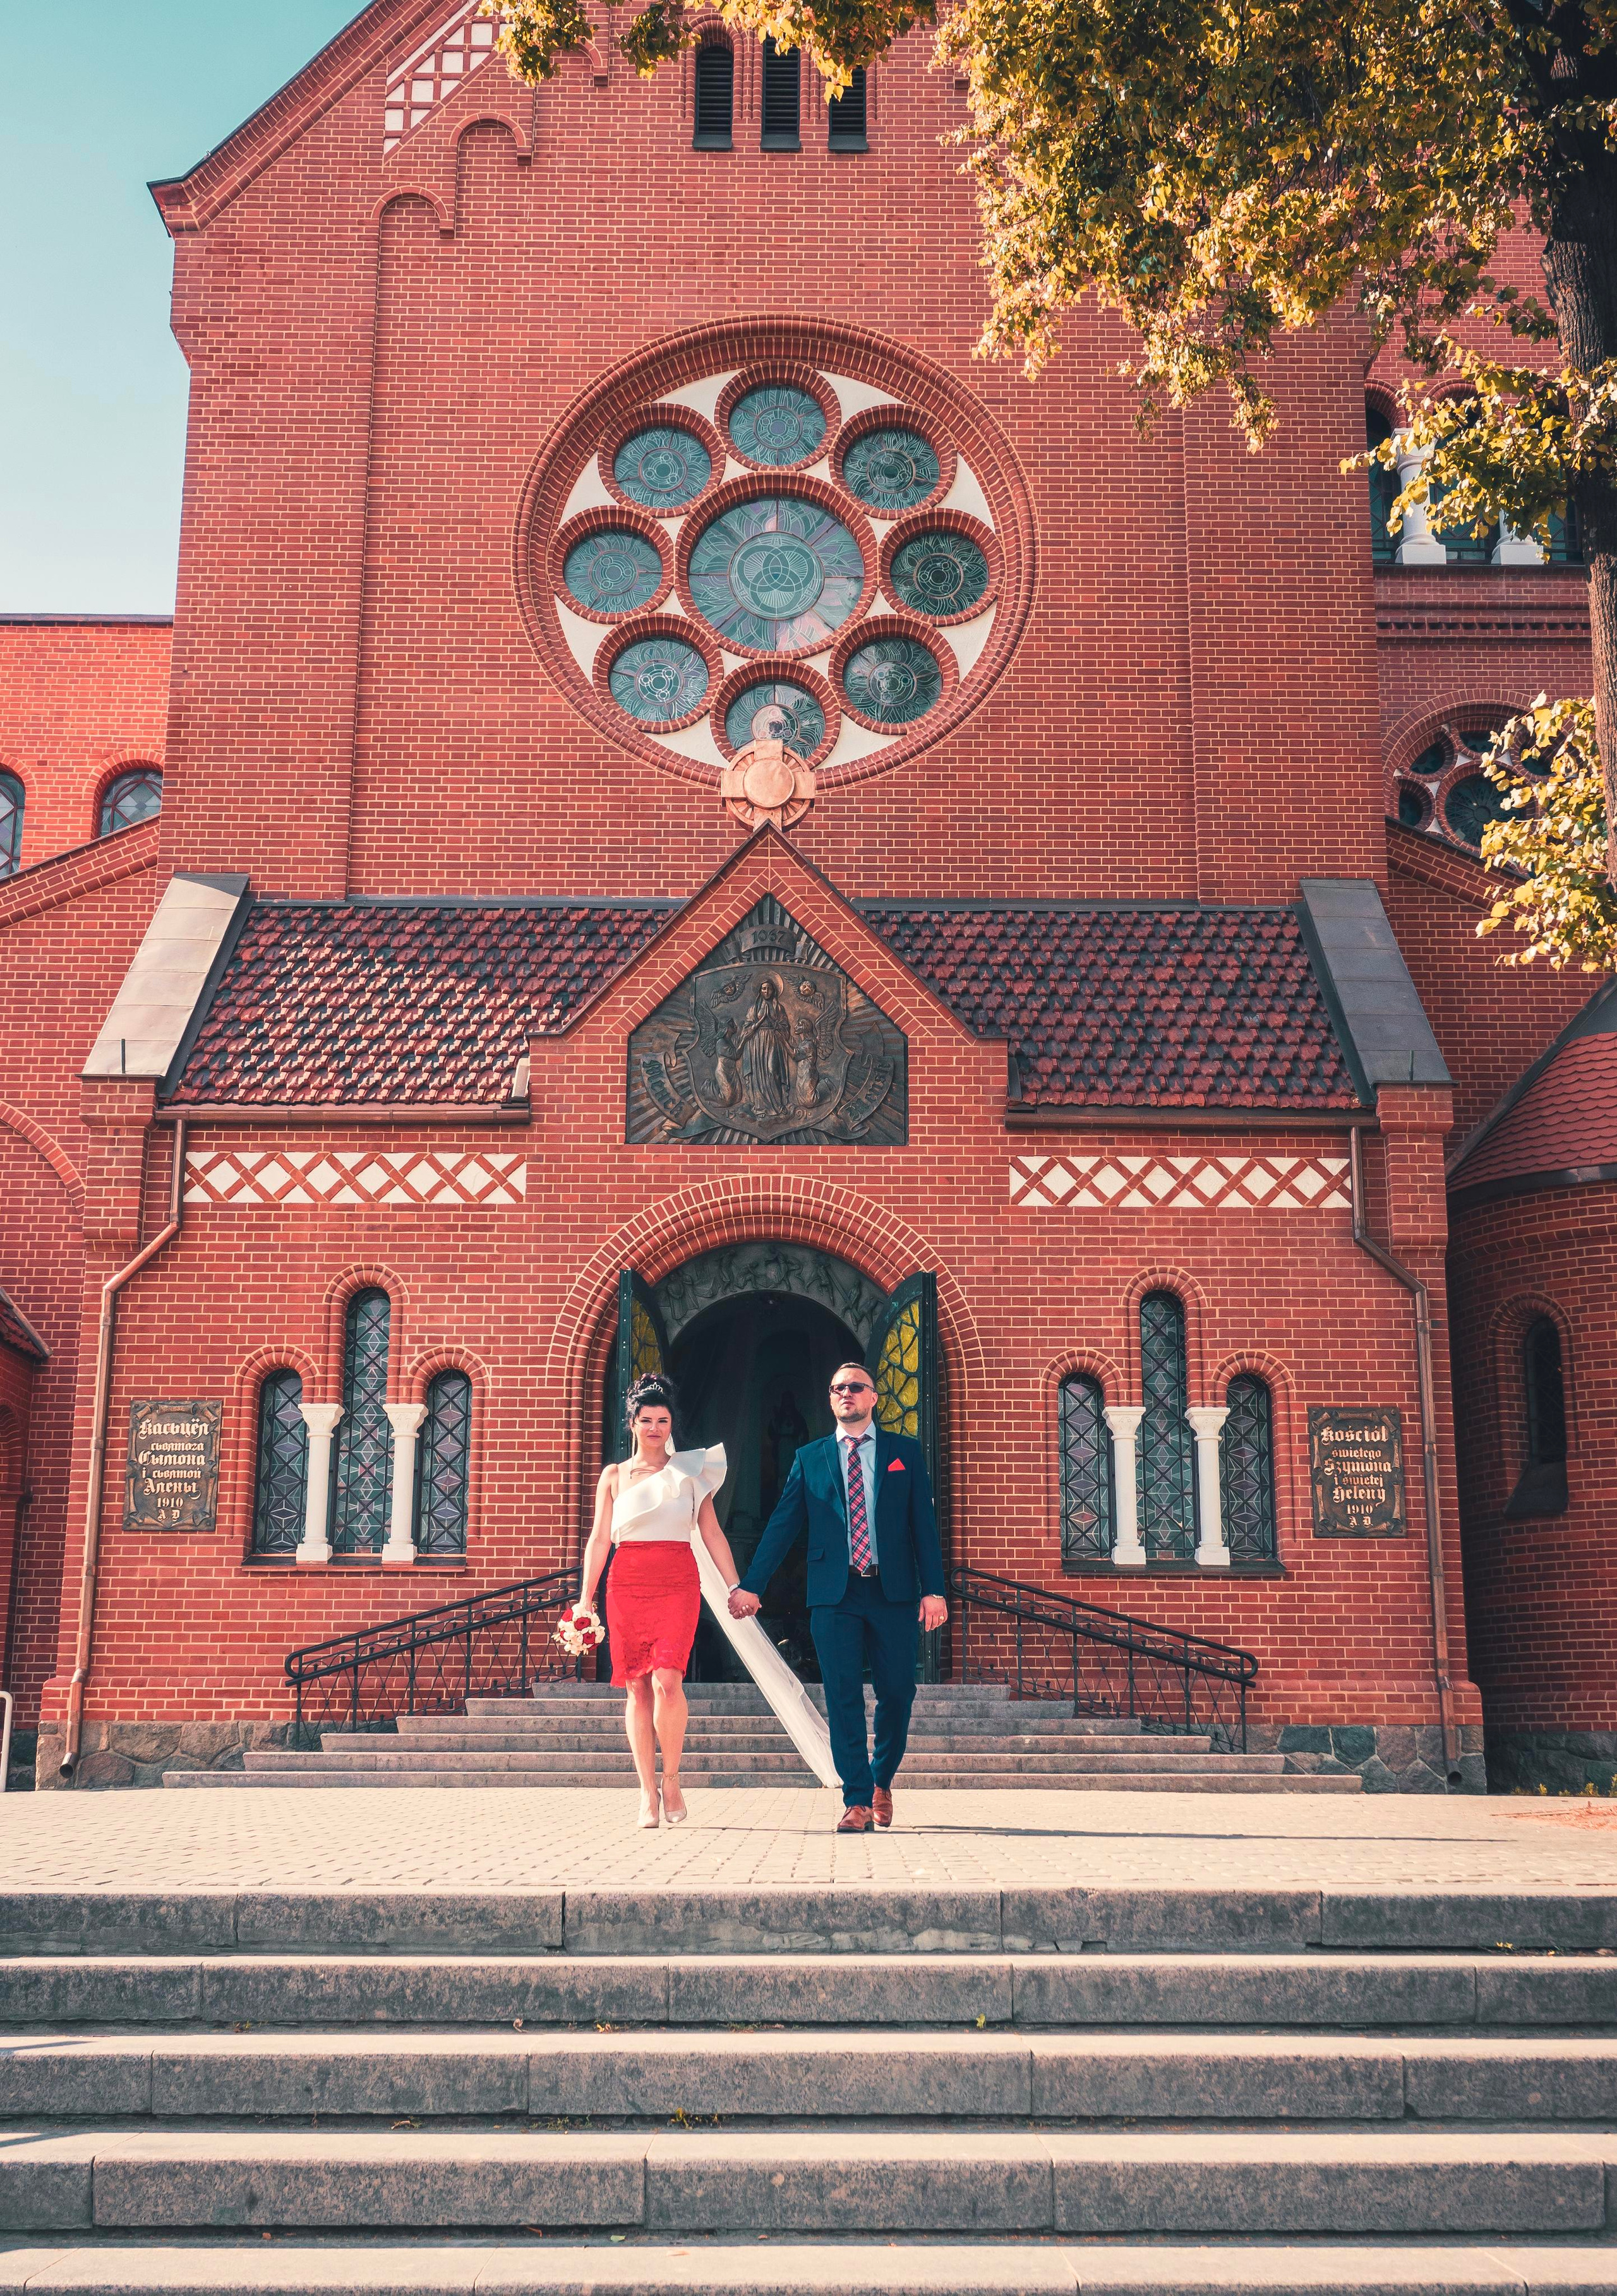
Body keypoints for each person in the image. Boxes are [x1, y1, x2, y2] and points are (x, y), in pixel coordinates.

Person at [729, 1361, 947, 1832]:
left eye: (854, 1387)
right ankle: (856, 1800)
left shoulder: (903, 1453)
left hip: (891, 1593)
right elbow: (783, 1525)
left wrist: (934, 1590)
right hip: (834, 1593)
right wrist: (752, 1585)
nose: (845, 1393)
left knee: (897, 1693)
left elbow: (923, 1530)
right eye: (836, 1389)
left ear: (872, 1398)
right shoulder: (810, 1458)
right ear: (831, 1400)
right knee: (842, 1694)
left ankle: (881, 1780)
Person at [577, 1373, 739, 1829]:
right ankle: (646, 1793)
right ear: (632, 1423)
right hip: (627, 1582)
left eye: (662, 1420)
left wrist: (733, 1586)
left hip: (677, 1580)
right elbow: (597, 1542)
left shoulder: (689, 1470)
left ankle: (672, 1779)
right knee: (636, 1686)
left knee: (669, 1678)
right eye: (646, 1420)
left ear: (672, 1425)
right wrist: (585, 1601)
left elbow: (711, 1532)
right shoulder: (613, 1476)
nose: (654, 1428)